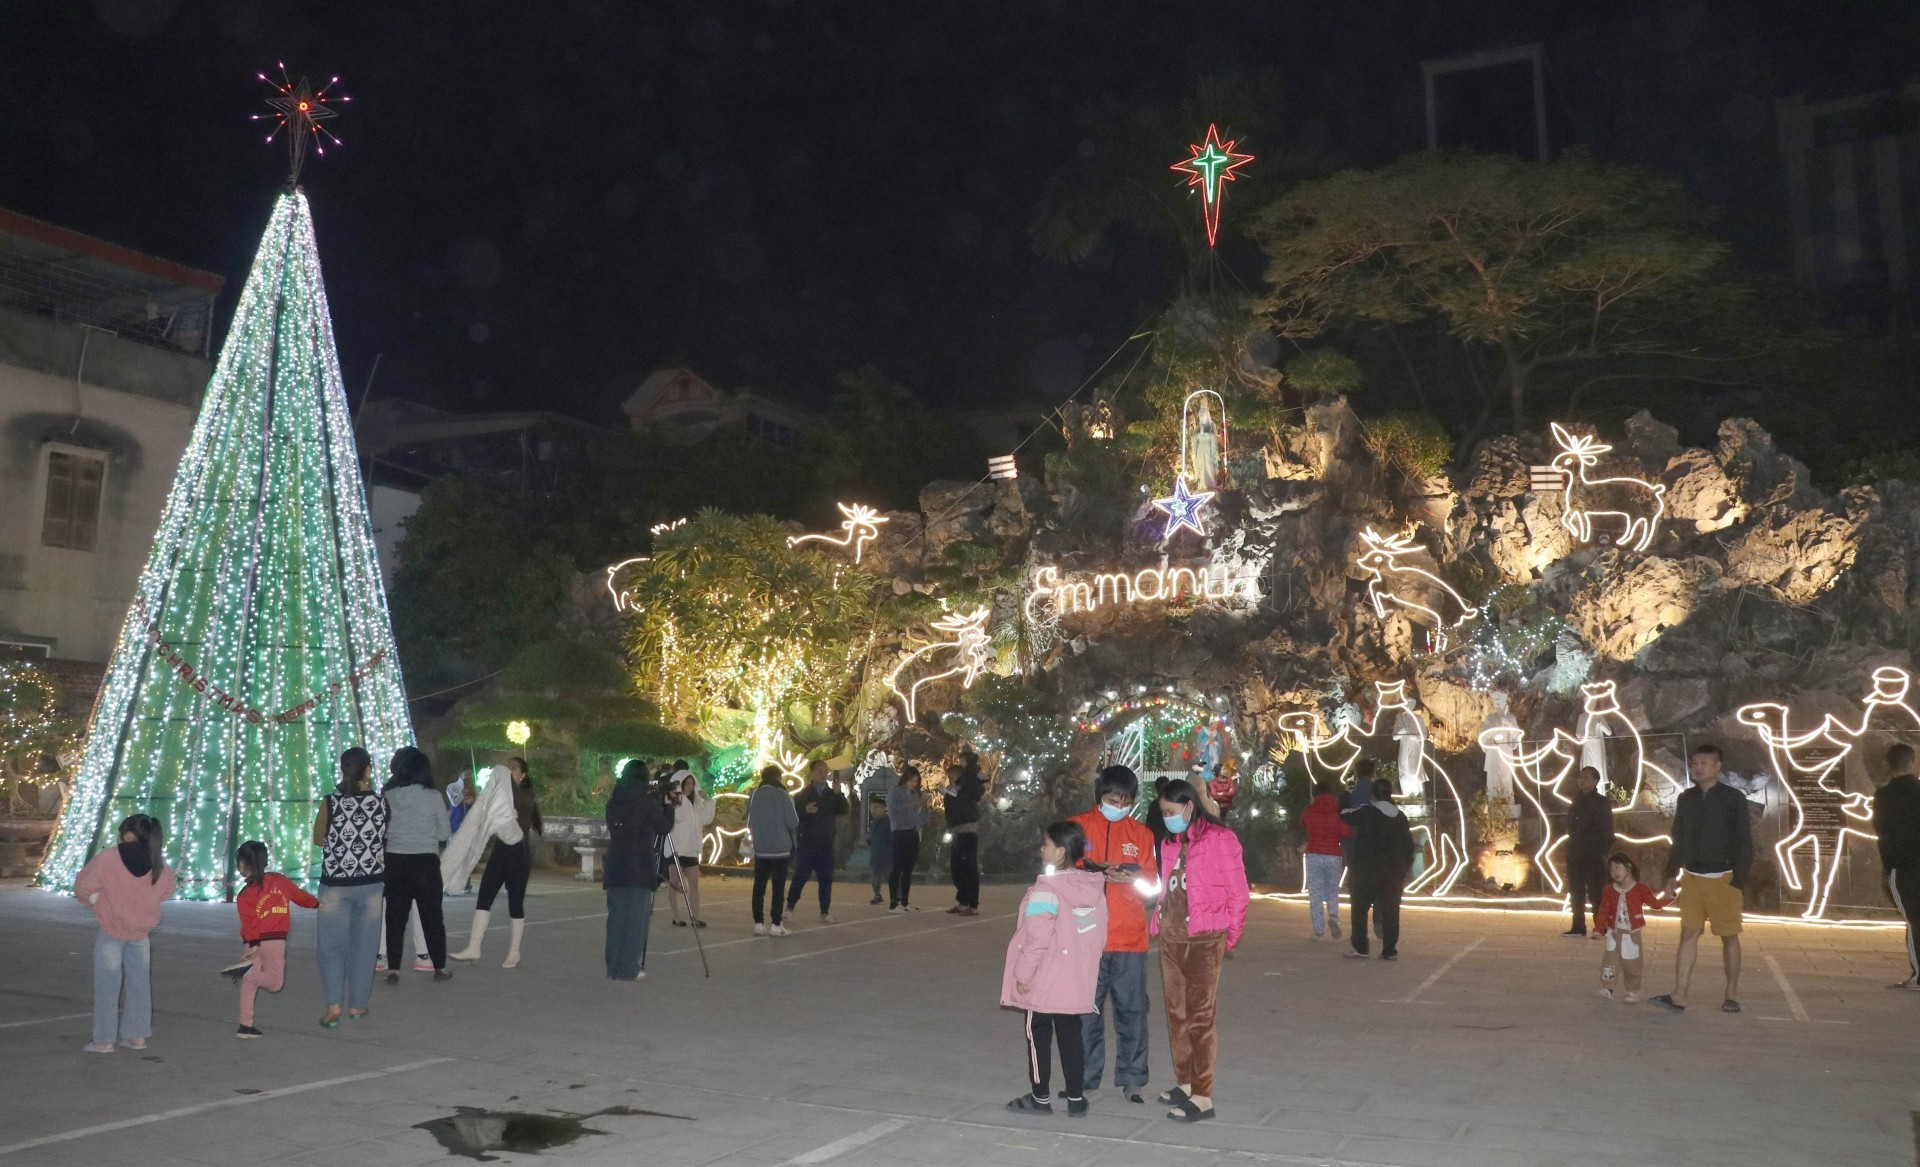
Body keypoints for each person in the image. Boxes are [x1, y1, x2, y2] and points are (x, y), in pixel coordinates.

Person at [1150, 778, 1249, 1123]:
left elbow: (1239, 893)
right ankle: (1186, 1082)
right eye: (1163, 812)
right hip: (1171, 937)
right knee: (1176, 1014)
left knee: (1200, 1017)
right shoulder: (1170, 843)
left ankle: (1203, 1096)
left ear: (1189, 807)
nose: (1166, 817)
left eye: (1171, 811)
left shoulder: (1221, 839)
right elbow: (1167, 887)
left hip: (1205, 938)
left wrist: (1229, 938)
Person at [1002, 819, 1107, 1117]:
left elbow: (1037, 939)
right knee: (1071, 1035)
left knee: (1038, 1035)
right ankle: (1076, 1098)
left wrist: (1022, 974)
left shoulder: (1046, 890)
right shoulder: (1091, 888)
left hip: (1043, 978)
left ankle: (1040, 1097)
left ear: (1060, 851)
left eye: (1046, 843)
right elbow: (1096, 935)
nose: (1041, 848)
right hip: (1073, 978)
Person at [1068, 764, 1155, 1104]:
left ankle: (1133, 1079)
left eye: (1126, 802)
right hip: (1085, 938)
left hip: (1129, 939)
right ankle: (1084, 1079)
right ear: (1100, 796)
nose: (1119, 807)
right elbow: (1056, 877)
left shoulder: (1142, 835)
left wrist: (1132, 880)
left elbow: (1153, 888)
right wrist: (1090, 875)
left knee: (1132, 1013)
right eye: (1113, 800)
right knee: (1085, 1015)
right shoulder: (1075, 827)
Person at [1651, 744, 1753, 1013]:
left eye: (1703, 763)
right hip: (1692, 878)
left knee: (1729, 936)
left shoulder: (1733, 798)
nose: (1697, 767)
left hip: (1724, 878)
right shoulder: (1687, 798)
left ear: (1717, 766)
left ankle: (1731, 993)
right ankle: (1680, 993)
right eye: (1695, 762)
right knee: (1688, 933)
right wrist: (1671, 873)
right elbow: (1678, 838)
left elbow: (1744, 840)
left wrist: (1739, 878)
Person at [74, 814, 174, 1053]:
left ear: (127, 835)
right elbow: (168, 890)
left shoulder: (109, 857)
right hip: (141, 933)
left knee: (107, 985)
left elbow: (82, 886)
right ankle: (137, 1036)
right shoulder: (157, 861)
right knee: (140, 984)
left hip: (111, 930)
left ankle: (104, 1040)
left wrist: (95, 900)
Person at [313, 747, 386, 1026]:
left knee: (331, 947)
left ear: (343, 770)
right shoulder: (381, 803)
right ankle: (357, 1005)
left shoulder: (330, 803)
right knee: (365, 947)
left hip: (335, 883)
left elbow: (318, 839)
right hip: (371, 883)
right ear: (368, 770)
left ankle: (333, 1007)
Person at [451, 755, 544, 968]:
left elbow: (510, 802)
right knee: (484, 897)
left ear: (522, 775)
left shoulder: (525, 795)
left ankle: (514, 952)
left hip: (519, 853)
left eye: (513, 768)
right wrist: (476, 802)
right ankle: (474, 947)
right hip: (500, 852)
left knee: (515, 903)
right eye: (506, 767)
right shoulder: (502, 794)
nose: (507, 771)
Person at [231, 840, 319, 1037]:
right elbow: (300, 896)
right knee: (275, 983)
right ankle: (248, 974)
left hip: (251, 941)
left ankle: (245, 1025)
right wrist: (316, 904)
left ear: (242, 864)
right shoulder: (280, 881)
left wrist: (253, 944)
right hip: (274, 941)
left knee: (249, 983)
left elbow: (249, 922)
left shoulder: (244, 895)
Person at [382, 746, 452, 984]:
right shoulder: (433, 797)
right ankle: (439, 968)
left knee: (395, 918)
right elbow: (444, 833)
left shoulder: (389, 797)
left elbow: (383, 831)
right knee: (432, 917)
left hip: (395, 861)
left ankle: (393, 969)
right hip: (425, 863)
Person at [604, 760, 675, 980]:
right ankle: (628, 970)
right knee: (635, 921)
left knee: (616, 920)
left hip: (616, 864)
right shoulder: (645, 802)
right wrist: (668, 806)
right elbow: (663, 826)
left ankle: (613, 968)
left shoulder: (614, 801)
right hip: (639, 865)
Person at [1344, 778, 1414, 961]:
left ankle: (1361, 947)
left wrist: (1345, 795)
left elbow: (1344, 815)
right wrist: (1405, 867)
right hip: (1394, 871)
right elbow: (1408, 845)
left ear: (1373, 795)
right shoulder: (1400, 817)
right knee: (1391, 911)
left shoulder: (1367, 812)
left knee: (1360, 909)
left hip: (1368, 869)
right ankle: (1389, 950)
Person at [1595, 853, 1671, 1002]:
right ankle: (1608, 987)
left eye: (1617, 867)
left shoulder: (1640, 888)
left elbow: (1655, 904)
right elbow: (1603, 910)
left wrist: (1669, 898)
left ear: (1628, 867)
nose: (1614, 872)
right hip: (1613, 933)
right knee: (1609, 963)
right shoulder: (1609, 890)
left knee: (1632, 964)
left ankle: (1632, 990)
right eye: (1611, 869)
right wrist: (1598, 929)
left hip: (1631, 934)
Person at [1875, 743, 1920, 990]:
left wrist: (1889, 865)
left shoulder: (1883, 796)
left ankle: (1918, 976)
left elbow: (1882, 831)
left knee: (1914, 920)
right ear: (1912, 762)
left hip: (1901, 868)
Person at [788, 760, 850, 924]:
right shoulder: (803, 794)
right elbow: (793, 816)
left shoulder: (832, 793)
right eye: (819, 771)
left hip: (826, 843)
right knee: (800, 876)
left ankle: (824, 912)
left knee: (826, 879)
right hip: (807, 843)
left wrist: (839, 794)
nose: (823, 774)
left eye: (825, 771)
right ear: (812, 773)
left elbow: (843, 810)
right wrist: (805, 810)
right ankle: (789, 907)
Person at [748, 764, 801, 936]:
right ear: (778, 777)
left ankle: (758, 923)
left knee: (759, 886)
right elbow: (793, 822)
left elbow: (749, 820)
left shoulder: (754, 794)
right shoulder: (784, 795)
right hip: (780, 849)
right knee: (778, 888)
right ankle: (776, 924)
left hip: (760, 848)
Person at [1564, 765, 1615, 937]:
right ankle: (1578, 926)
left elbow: (1607, 828)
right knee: (1576, 891)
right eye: (1580, 777)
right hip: (1576, 851)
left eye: (1586, 777)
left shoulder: (1601, 802)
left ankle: (1600, 926)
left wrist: (1603, 852)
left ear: (1595, 781)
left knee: (1596, 893)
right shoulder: (1576, 801)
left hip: (1593, 852)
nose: (1582, 780)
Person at [1301, 779, 1351, 941]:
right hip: (1333, 855)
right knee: (1332, 890)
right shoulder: (1337, 811)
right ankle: (1333, 916)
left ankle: (1319, 932)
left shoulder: (1310, 810)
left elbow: (1302, 822)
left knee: (1315, 894)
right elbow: (1346, 831)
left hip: (1313, 854)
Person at [667, 768, 715, 928]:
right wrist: (680, 798)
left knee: (694, 884)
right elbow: (678, 817)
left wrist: (708, 801)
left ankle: (696, 916)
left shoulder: (695, 804)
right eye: (686, 784)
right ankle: (676, 916)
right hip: (676, 849)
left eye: (691, 784)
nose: (689, 787)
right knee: (674, 883)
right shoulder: (677, 801)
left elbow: (706, 819)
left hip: (691, 850)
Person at [945, 754, 987, 915]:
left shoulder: (968, 781)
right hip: (958, 830)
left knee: (968, 867)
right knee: (958, 868)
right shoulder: (960, 786)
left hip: (967, 831)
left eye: (951, 777)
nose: (949, 779)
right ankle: (963, 901)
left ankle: (972, 904)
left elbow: (975, 791)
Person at [887, 764, 930, 912]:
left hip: (913, 832)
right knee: (897, 867)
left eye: (916, 781)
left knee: (908, 869)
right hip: (900, 832)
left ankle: (905, 901)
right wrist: (916, 804)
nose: (914, 784)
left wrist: (924, 806)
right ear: (905, 779)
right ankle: (893, 903)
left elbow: (923, 818)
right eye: (912, 780)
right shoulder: (895, 792)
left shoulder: (917, 793)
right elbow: (895, 810)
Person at [866, 791, 894, 906]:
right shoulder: (874, 823)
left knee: (890, 877)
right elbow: (873, 838)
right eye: (871, 808)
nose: (873, 811)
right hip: (876, 855)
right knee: (875, 877)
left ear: (883, 808)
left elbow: (892, 838)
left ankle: (896, 896)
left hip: (887, 856)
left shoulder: (889, 822)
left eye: (876, 808)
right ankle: (877, 895)